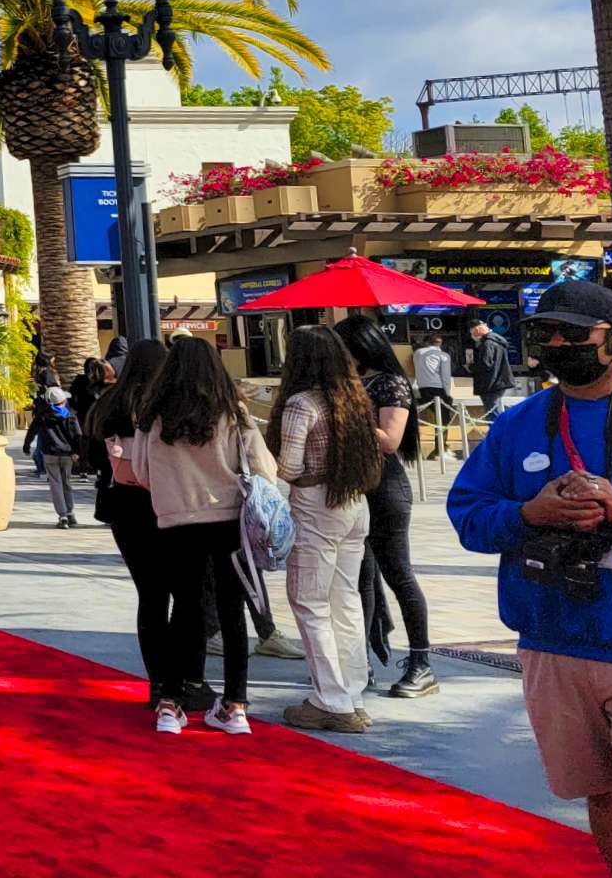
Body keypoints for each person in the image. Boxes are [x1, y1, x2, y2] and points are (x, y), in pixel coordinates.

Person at [448, 279, 612, 878]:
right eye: (547, 335)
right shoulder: (517, 426)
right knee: (600, 793)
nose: (558, 347)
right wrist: (528, 513)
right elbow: (470, 514)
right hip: (552, 642)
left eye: (573, 334)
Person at [123, 336, 277, 739]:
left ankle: (171, 703)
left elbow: (139, 473)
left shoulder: (152, 415)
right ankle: (235, 704)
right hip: (227, 519)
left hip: (176, 520)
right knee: (231, 610)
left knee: (186, 610)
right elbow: (264, 467)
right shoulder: (232, 411)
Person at [273, 325, 387, 732]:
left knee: (310, 603)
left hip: (315, 504)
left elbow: (289, 468)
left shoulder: (301, 404)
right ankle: (351, 694)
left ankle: (330, 700)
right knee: (346, 600)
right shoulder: (355, 398)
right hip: (354, 503)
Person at [93, 340, 212, 714]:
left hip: (123, 509)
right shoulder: (162, 406)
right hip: (166, 506)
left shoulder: (108, 405)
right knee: (189, 595)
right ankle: (189, 678)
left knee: (152, 595)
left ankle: (159, 682)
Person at [339, 315, 439, 699]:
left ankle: (421, 662)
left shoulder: (389, 382)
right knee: (360, 576)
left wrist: (345, 412)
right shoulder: (350, 384)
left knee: (398, 572)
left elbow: (389, 440)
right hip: (353, 488)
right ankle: (358, 659)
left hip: (385, 488)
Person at [24, 387, 82, 527]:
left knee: (56, 484)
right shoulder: (70, 415)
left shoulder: (42, 416)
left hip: (50, 454)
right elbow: (78, 435)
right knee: (66, 483)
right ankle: (70, 513)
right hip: (68, 454)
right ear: (63, 400)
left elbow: (32, 431)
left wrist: (27, 446)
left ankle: (62, 516)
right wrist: (77, 452)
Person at [413, 331, 456, 459]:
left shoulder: (417, 353)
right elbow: (445, 377)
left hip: (422, 389)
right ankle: (440, 449)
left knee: (437, 418)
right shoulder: (443, 356)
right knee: (443, 419)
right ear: (440, 343)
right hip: (438, 389)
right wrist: (447, 394)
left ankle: (440, 449)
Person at [471, 316, 517, 417]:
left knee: (492, 413)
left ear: (477, 329)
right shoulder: (498, 341)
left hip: (490, 383)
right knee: (495, 410)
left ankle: (499, 432)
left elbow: (486, 363)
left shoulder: (487, 344)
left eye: (472, 332)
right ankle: (501, 431)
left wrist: (471, 368)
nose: (472, 335)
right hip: (499, 381)